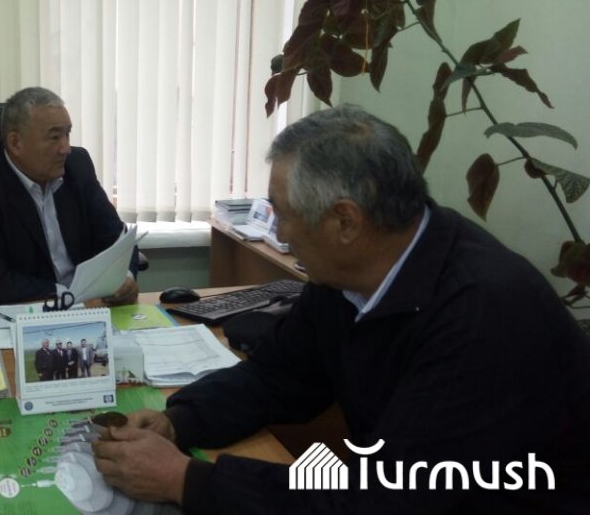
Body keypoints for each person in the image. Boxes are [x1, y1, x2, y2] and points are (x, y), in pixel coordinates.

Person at [91, 105, 590, 514]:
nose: (278, 233)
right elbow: (280, 376)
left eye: (283, 214)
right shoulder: (351, 273)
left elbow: (386, 499)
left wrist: (185, 480)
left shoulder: (482, 316)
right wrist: (180, 422)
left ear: (345, 222)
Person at [0, 86, 139, 305]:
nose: (66, 148)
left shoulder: (77, 166)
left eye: (67, 134)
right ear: (15, 143)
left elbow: (117, 239)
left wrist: (125, 278)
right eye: (54, 137)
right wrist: (65, 294)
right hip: (27, 309)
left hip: (91, 304)